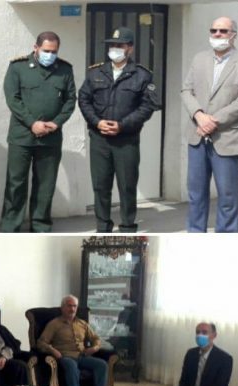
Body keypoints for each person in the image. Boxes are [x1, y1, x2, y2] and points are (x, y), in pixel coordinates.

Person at [180, 16, 238, 233]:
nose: (217, 34)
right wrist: (199, 115)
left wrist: (212, 120)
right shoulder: (199, 59)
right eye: (213, 30)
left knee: (227, 196)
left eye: (223, 31)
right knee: (196, 194)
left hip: (228, 137)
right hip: (198, 136)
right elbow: (187, 90)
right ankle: (196, 234)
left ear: (234, 35)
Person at [78, 26, 159, 233]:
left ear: (130, 48)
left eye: (119, 45)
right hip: (100, 139)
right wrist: (97, 122)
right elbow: (84, 100)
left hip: (126, 140)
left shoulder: (142, 75)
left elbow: (148, 106)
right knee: (101, 186)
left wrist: (123, 125)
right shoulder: (96, 72)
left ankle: (128, 227)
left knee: (127, 186)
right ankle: (103, 227)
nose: (114, 49)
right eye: (112, 45)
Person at [1, 31, 76, 233]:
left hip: (51, 138)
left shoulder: (65, 69)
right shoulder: (18, 67)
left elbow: (70, 101)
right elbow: (12, 98)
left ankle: (40, 226)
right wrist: (31, 123)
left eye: (54, 51)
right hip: (22, 137)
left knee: (45, 185)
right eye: (46, 50)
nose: (50, 55)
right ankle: (11, 227)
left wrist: (56, 123)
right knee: (16, 183)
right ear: (36, 48)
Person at [37, 295, 112, 386]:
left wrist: (95, 348)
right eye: (69, 306)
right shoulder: (54, 324)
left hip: (82, 356)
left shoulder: (82, 324)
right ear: (62, 307)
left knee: (102, 365)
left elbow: (96, 339)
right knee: (71, 366)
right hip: (65, 356)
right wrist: (52, 350)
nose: (72, 309)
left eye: (74, 306)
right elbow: (41, 342)